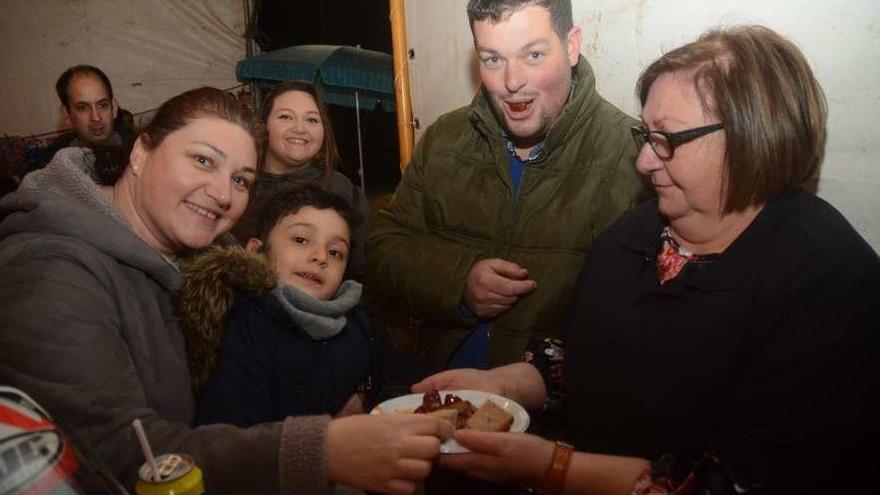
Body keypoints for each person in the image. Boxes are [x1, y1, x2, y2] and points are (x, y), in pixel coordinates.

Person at [411, 25, 880, 495]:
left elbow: (740, 480)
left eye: (666, 140)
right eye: (645, 134)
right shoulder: (634, 235)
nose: (643, 162)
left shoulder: (831, 287)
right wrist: (509, 385)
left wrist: (554, 469)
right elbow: (590, 354)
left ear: (751, 139)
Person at [0, 87, 451, 495]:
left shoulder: (214, 258)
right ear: (141, 152)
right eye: (202, 160)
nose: (221, 192)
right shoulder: (50, 274)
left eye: (241, 180)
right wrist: (320, 450)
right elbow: (115, 458)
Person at [366, 0, 646, 370]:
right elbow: (382, 250)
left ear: (572, 45)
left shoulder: (633, 156)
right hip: (443, 403)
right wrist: (458, 280)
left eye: (533, 55)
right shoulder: (444, 140)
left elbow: (645, 323)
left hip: (559, 422)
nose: (513, 82)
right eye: (492, 60)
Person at [182, 182, 424, 426]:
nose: (320, 256)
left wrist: (369, 403)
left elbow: (406, 384)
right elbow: (232, 438)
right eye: (300, 239)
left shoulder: (361, 323)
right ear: (256, 251)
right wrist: (325, 438)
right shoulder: (241, 325)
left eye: (335, 252)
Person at [232, 80, 371, 280]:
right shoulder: (238, 185)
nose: (299, 128)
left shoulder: (343, 191)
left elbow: (363, 272)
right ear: (263, 125)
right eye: (286, 117)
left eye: (312, 120)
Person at [42, 65, 135, 162]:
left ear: (114, 108)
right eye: (82, 108)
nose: (96, 117)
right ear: (67, 115)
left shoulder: (141, 150)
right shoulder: (52, 162)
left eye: (103, 105)